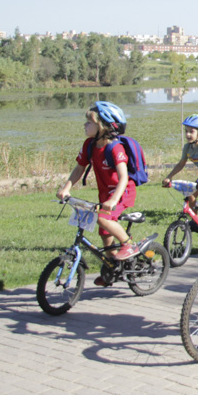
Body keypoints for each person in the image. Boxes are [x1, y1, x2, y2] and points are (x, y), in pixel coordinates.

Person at [56, 102, 138, 280]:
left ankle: (129, 244)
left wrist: (114, 200)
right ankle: (112, 266)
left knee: (102, 218)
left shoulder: (115, 148)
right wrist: (66, 187)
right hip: (105, 194)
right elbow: (79, 169)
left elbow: (123, 178)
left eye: (89, 122)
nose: (85, 125)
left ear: (103, 126)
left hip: (121, 193)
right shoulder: (89, 145)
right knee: (104, 232)